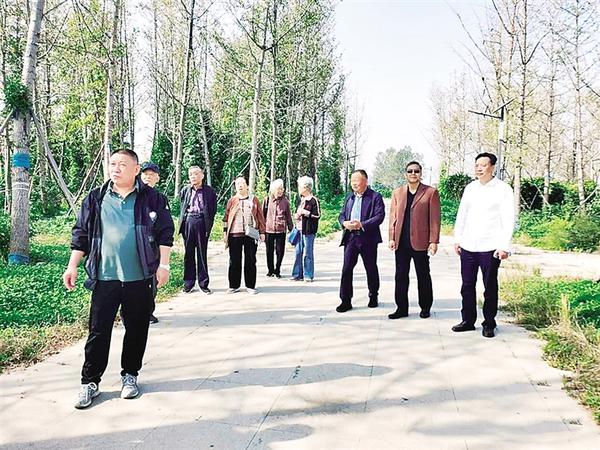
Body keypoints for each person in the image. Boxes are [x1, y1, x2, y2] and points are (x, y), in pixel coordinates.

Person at [63, 149, 174, 409]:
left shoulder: (152, 198)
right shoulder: (96, 197)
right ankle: (90, 382)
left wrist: (164, 265)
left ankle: (130, 375)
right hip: (105, 277)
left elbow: (165, 233)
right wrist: (72, 266)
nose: (116, 168)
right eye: (112, 163)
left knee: (137, 328)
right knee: (98, 331)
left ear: (136, 169)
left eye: (122, 164)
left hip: (140, 277)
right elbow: (81, 234)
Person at [452, 152, 515, 338]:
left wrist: (504, 246)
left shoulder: (503, 189)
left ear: (492, 167)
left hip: (491, 247)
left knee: (490, 287)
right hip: (468, 245)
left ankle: (489, 323)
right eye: (477, 165)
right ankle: (467, 320)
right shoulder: (470, 188)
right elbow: (462, 214)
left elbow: (508, 218)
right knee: (467, 286)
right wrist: (458, 239)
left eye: (483, 165)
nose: (479, 168)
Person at [388, 161, 441, 319]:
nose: (413, 173)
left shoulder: (430, 192)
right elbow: (393, 217)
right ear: (405, 174)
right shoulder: (398, 192)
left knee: (423, 276)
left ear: (420, 173)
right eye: (410, 171)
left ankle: (425, 307)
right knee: (400, 276)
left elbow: (435, 219)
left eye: (416, 171)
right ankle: (401, 308)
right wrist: (391, 237)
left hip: (421, 242)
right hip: (401, 242)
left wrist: (433, 241)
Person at [336, 169, 385, 313]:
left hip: (367, 238)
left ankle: (373, 295)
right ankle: (345, 300)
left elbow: (379, 216)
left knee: (370, 268)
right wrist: (344, 223)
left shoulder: (375, 197)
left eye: (356, 180)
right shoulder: (349, 197)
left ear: (365, 181)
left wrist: (362, 224)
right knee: (346, 269)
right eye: (352, 181)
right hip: (350, 237)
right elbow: (341, 215)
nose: (353, 183)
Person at [223, 176, 266, 294]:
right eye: (237, 184)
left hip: (250, 234)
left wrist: (262, 232)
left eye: (242, 183)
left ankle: (250, 286)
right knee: (234, 261)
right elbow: (226, 217)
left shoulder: (254, 200)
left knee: (250, 260)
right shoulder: (232, 200)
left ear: (247, 185)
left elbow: (260, 216)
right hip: (234, 234)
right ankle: (234, 285)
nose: (240, 186)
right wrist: (225, 232)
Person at [179, 166, 217, 294]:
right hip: (189, 221)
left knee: (202, 254)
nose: (193, 176)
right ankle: (188, 283)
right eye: (190, 174)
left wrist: (208, 224)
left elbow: (213, 209)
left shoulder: (209, 191)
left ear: (202, 175)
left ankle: (203, 283)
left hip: (202, 222)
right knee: (188, 254)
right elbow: (182, 206)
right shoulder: (185, 190)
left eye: (196, 174)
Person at [140, 161, 163, 324]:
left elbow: (164, 227)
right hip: (135, 245)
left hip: (152, 246)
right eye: (145, 174)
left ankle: (148, 313)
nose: (148, 177)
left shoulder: (158, 198)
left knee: (151, 281)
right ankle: (129, 314)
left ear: (157, 178)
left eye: (151, 174)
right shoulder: (133, 196)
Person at [291, 176, 320, 282]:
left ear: (306, 187)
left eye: (300, 186)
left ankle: (308, 274)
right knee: (298, 252)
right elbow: (298, 212)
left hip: (308, 230)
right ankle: (297, 274)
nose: (298, 188)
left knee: (308, 252)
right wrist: (297, 215)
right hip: (298, 229)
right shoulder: (300, 199)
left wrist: (305, 213)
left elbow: (317, 215)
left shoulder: (313, 200)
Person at [262, 179, 293, 278]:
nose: (280, 191)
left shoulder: (285, 201)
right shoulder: (267, 200)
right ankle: (270, 270)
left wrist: (291, 229)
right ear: (273, 189)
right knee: (269, 251)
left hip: (281, 230)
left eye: (282, 189)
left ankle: (277, 269)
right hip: (269, 229)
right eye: (278, 189)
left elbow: (288, 216)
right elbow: (262, 216)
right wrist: (261, 230)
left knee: (280, 251)